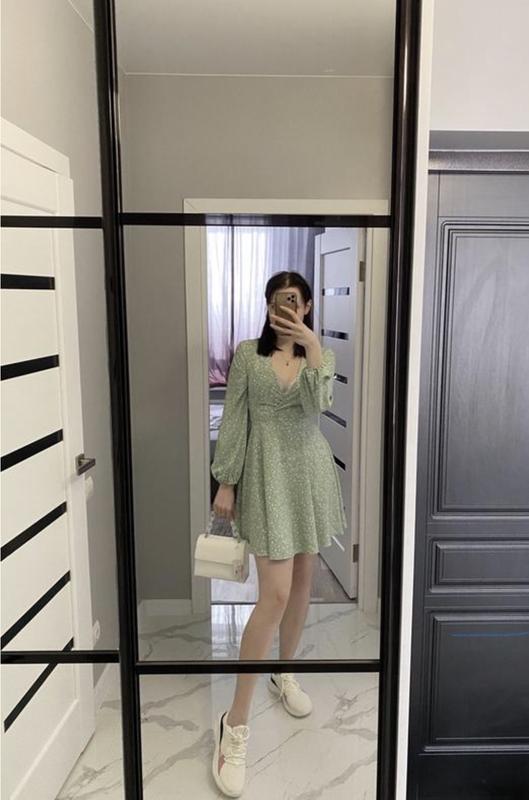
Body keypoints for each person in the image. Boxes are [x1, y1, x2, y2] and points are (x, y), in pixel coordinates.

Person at [210, 270, 347, 798]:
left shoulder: (320, 355)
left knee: (303, 585)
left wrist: (311, 346)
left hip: (308, 474)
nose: (283, 308)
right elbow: (235, 417)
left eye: (292, 300)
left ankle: (284, 672)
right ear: (267, 306)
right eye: (275, 301)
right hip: (267, 473)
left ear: (307, 305)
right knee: (274, 595)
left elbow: (319, 405)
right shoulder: (248, 355)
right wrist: (227, 481)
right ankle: (235, 725)